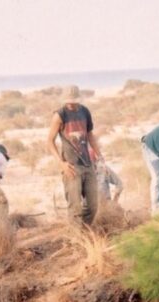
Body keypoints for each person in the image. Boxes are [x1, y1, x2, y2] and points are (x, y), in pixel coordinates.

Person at [47, 87, 101, 225]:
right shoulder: (59, 115)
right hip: (71, 166)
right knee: (75, 207)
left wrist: (98, 155)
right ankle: (77, 238)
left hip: (88, 164)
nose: (70, 104)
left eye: (73, 101)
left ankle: (85, 231)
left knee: (93, 206)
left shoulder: (85, 111)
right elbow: (49, 141)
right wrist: (61, 163)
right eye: (68, 101)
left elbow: (89, 134)